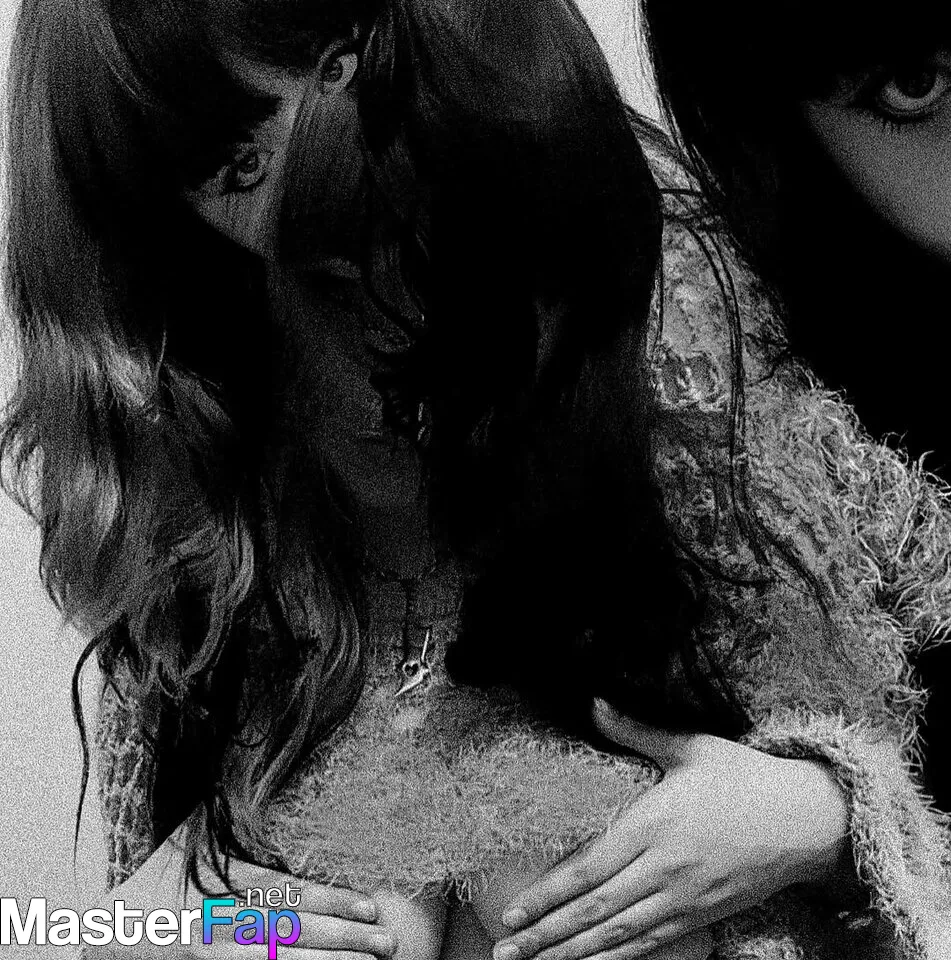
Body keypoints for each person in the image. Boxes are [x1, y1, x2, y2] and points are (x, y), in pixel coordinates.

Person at [2, 2, 946, 960]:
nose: (314, 166)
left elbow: (895, 731)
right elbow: (133, 897)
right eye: (231, 166)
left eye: (343, 71)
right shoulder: (185, 476)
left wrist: (826, 812)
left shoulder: (675, 329)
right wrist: (130, 933)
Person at [637, 0, 951, 816]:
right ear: (773, 130)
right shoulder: (761, 430)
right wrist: (838, 805)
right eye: (914, 85)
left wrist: (845, 824)